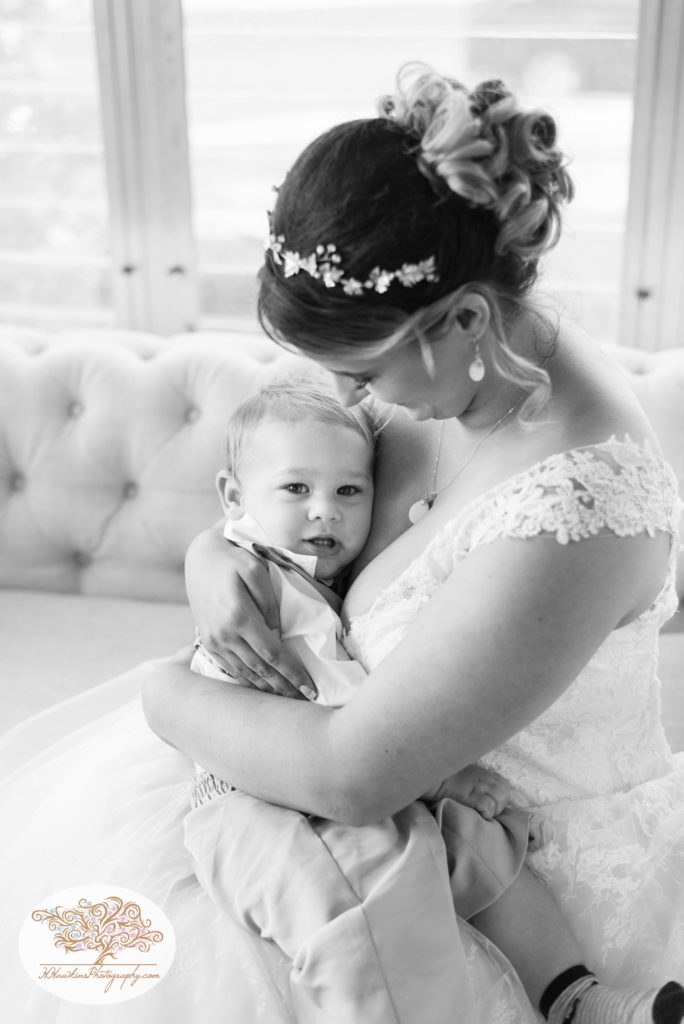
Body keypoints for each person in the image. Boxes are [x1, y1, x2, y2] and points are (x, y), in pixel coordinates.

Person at [1, 63, 682, 1024]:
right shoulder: (466, 368)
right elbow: (298, 539)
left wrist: (162, 692)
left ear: (466, 320)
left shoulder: (579, 512)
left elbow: (355, 774)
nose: (353, 401)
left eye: (361, 369)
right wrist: (215, 561)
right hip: (343, 807)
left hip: (498, 888)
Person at [185, 373, 651, 1024]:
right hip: (257, 785)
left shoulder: (305, 559)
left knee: (485, 847)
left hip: (336, 765)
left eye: (349, 491)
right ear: (235, 497)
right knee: (357, 909)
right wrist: (447, 774)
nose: (326, 510)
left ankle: (574, 995)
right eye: (297, 490)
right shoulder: (265, 583)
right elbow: (336, 693)